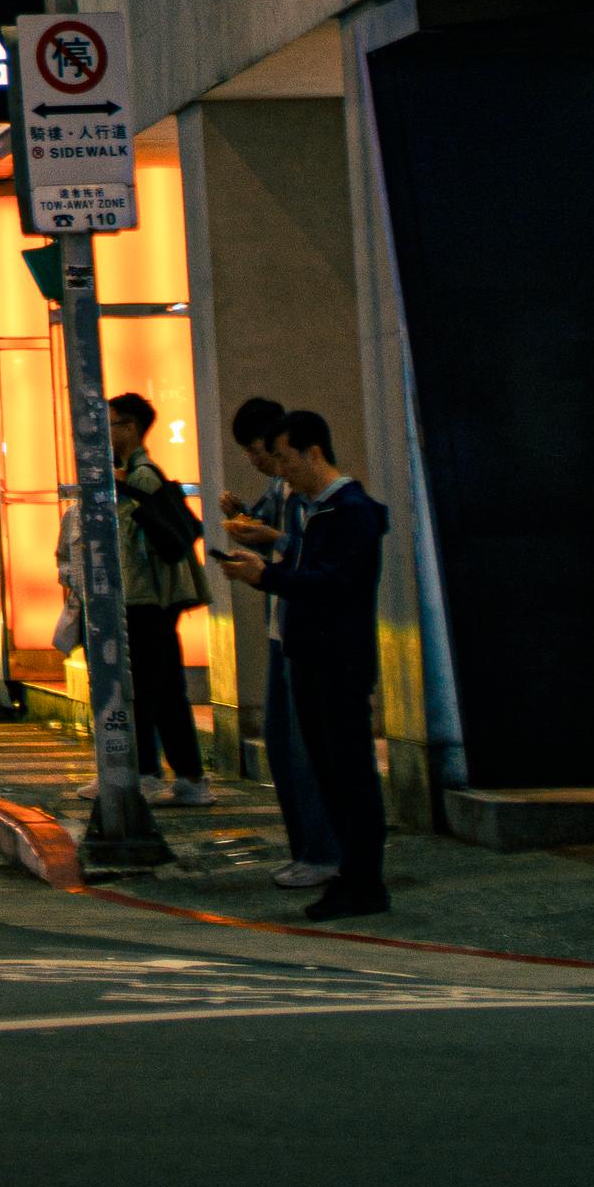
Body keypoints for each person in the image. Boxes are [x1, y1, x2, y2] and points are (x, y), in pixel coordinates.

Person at [223, 407, 392, 921]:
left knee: (350, 774)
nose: (281, 469)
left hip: (338, 660)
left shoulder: (350, 510)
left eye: (285, 457)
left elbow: (334, 584)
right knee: (330, 771)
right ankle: (349, 877)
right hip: (312, 657)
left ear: (312, 452)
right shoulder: (319, 509)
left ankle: (363, 882)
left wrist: (265, 576)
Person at [223, 398, 336, 865]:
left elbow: (314, 562)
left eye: (275, 455)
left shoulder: (335, 502)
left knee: (306, 748)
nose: (272, 466)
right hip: (283, 626)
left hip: (306, 634)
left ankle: (322, 853)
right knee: (285, 744)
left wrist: (268, 547)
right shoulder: (286, 492)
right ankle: (308, 850)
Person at [103, 394, 211, 805]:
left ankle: (154, 773)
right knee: (163, 689)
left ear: (130, 428)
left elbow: (132, 548)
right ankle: (184, 777)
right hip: (155, 599)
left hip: (147, 599)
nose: (105, 432)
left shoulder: (140, 477)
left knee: (150, 690)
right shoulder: (137, 474)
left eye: (111, 424)